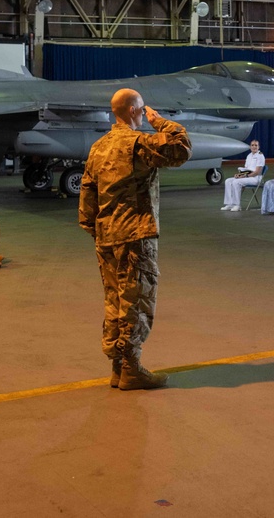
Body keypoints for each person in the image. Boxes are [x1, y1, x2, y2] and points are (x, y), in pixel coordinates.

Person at [78, 88, 191, 391]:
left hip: (106, 238)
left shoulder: (98, 147)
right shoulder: (138, 144)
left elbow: (87, 198)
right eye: (142, 110)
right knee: (137, 301)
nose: (144, 114)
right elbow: (181, 149)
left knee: (115, 300)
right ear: (131, 111)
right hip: (135, 236)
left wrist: (98, 230)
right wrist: (161, 122)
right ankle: (131, 369)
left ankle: (118, 367)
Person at [221, 140, 265, 211]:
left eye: (256, 145)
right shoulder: (249, 156)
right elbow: (245, 170)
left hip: (256, 178)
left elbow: (257, 172)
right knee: (228, 181)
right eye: (252, 145)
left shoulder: (260, 155)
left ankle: (237, 205)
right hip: (247, 176)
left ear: (258, 147)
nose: (254, 147)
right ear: (250, 147)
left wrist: (245, 176)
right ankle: (229, 204)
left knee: (236, 182)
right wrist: (239, 175)